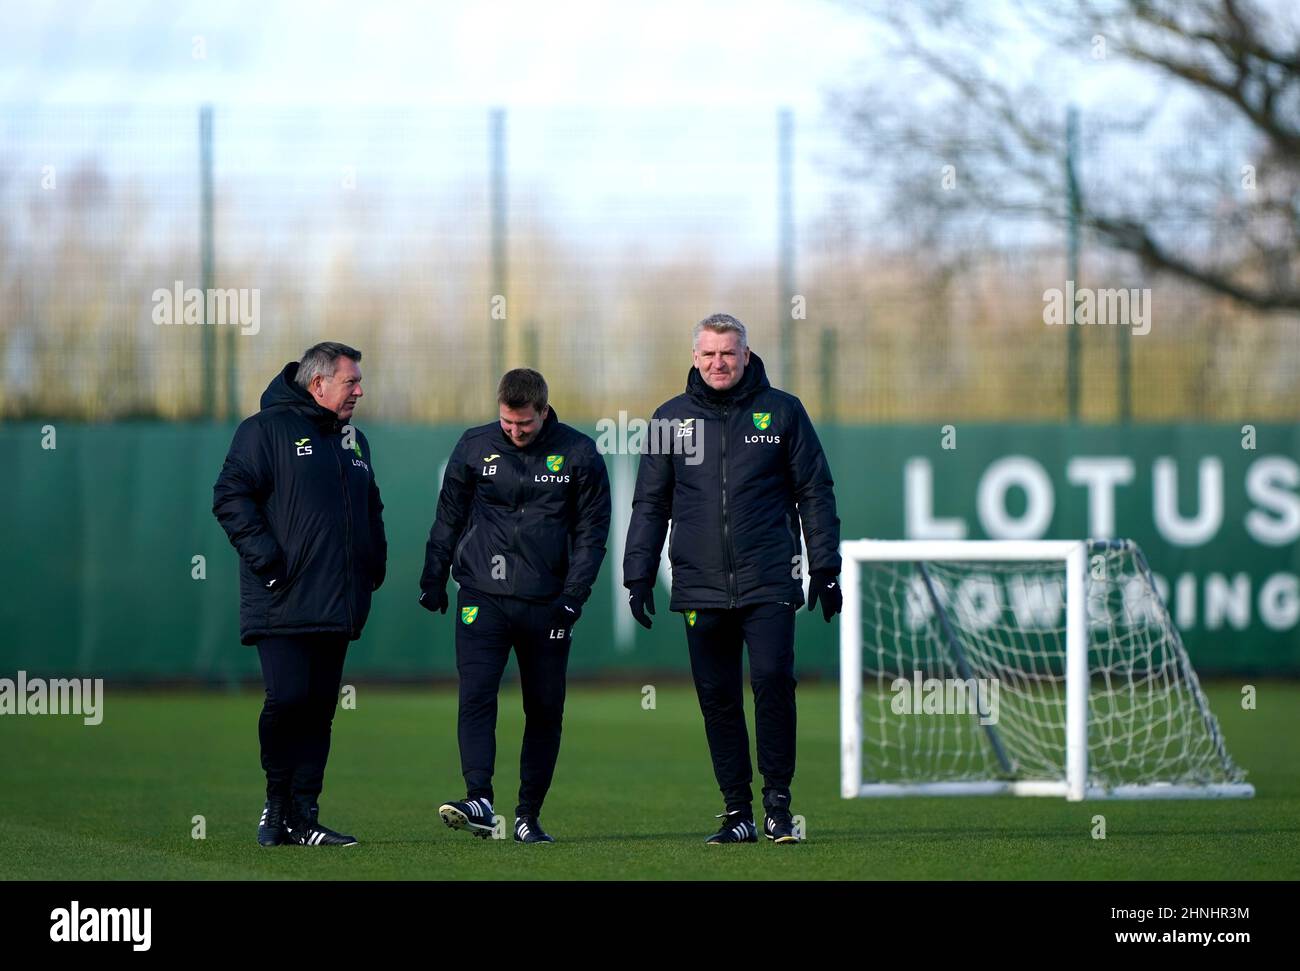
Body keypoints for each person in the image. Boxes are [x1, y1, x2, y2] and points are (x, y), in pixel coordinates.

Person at [623, 313, 842, 844]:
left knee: (771, 682)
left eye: (728, 353)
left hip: (768, 578)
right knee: (717, 697)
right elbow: (651, 503)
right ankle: (738, 811)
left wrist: (826, 567)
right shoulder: (668, 420)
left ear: (746, 354)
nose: (718, 363)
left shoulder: (784, 412)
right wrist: (638, 573)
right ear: (694, 357)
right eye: (708, 354)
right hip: (699, 584)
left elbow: (814, 491)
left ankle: (778, 807)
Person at [419, 368, 610, 844]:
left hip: (547, 604)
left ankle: (527, 814)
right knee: (477, 695)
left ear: (544, 411)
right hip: (482, 596)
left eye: (524, 423)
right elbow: (449, 517)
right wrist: (434, 575)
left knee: (544, 709)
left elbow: (592, 534)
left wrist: (574, 596)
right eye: (507, 423)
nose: (515, 431)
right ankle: (479, 799)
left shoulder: (579, 453)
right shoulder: (473, 446)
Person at [212, 341, 387, 847]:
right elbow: (229, 496)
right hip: (282, 597)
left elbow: (371, 506)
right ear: (318, 384)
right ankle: (276, 806)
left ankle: (304, 815)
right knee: (286, 700)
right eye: (350, 381)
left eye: (358, 380)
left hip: (339, 599)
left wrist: (373, 562)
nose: (359, 389)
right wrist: (269, 560)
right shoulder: (263, 431)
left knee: (319, 710)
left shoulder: (356, 440)